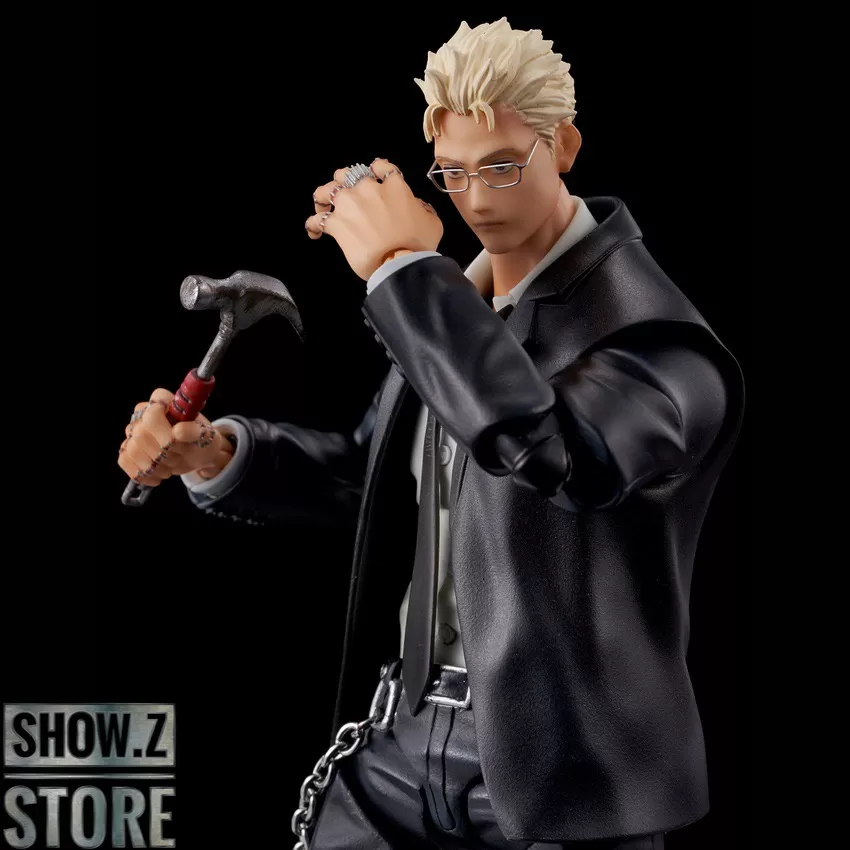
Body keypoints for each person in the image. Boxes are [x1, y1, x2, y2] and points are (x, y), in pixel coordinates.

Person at [118, 18, 745, 850]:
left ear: (564, 146)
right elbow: (369, 480)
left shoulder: (657, 340)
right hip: (401, 739)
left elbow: (559, 454)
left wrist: (405, 273)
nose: (477, 200)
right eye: (452, 172)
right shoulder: (462, 315)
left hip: (565, 778)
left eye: (502, 165)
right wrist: (217, 453)